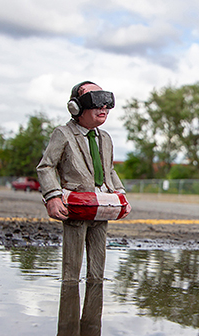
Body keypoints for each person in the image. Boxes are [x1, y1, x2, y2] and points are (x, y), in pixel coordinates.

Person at [37, 81, 130, 284]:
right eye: (95, 100)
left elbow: (109, 170)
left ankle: (94, 303)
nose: (103, 107)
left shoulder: (105, 138)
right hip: (76, 207)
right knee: (72, 265)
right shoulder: (63, 134)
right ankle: (69, 299)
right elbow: (46, 166)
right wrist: (52, 196)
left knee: (98, 261)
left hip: (102, 206)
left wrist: (120, 194)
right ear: (76, 107)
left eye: (106, 100)